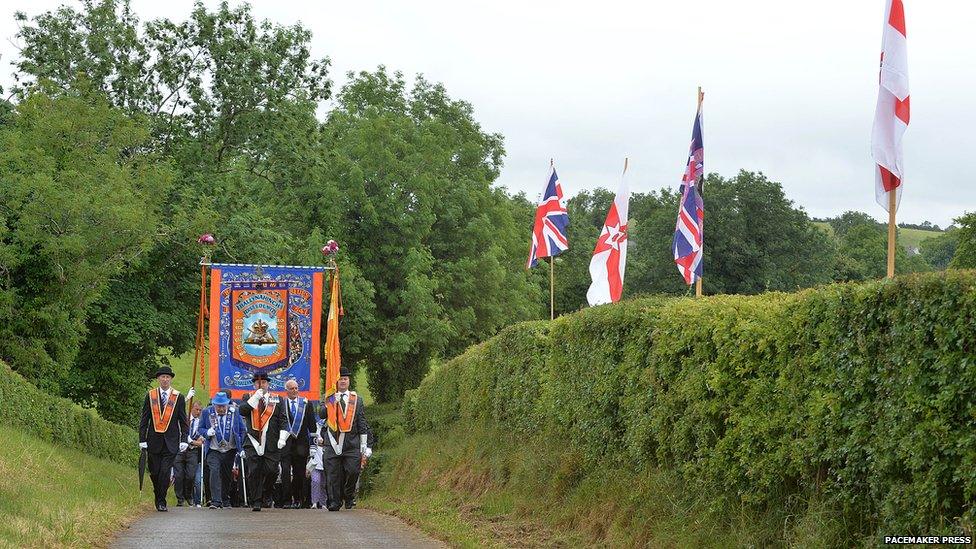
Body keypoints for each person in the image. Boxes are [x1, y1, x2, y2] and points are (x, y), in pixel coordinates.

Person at [319, 367, 372, 511]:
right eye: (340, 379)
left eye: (345, 379)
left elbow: (361, 422)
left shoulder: (357, 400)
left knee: (353, 471)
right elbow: (321, 414)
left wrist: (364, 445)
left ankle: (348, 495)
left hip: (351, 443)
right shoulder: (329, 397)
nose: (342, 381)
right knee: (333, 475)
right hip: (332, 442)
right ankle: (335, 501)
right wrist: (331, 404)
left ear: (349, 381)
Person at [138, 366, 190, 512]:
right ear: (158, 379)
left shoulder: (178, 397)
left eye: (167, 377)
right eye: (162, 377)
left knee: (165, 472)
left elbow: (183, 421)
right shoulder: (151, 395)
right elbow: (145, 419)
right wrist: (142, 439)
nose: (165, 380)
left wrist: (184, 439)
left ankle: (162, 501)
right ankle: (157, 493)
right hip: (153, 441)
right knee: (155, 473)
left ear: (171, 379)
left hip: (171, 442)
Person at [239, 371, 288, 511]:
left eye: (264, 382)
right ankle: (256, 500)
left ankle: (267, 491)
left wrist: (283, 437)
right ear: (254, 384)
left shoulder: (278, 399)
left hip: (272, 442)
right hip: (253, 441)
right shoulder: (248, 397)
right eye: (258, 383)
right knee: (254, 471)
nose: (261, 385)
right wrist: (255, 398)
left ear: (268, 384)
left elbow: (283, 419)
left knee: (272, 471)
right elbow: (242, 411)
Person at [199, 391, 245, 509]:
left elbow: (242, 429)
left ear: (227, 404)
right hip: (214, 449)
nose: (221, 408)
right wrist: (207, 432)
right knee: (214, 471)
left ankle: (225, 499)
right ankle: (215, 501)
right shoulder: (206, 412)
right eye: (218, 406)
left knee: (226, 475)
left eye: (223, 406)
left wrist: (242, 447)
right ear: (214, 405)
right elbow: (200, 429)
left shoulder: (235, 412)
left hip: (230, 449)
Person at [279, 378, 316, 508]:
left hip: (301, 444)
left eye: (296, 388)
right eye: (292, 388)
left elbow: (312, 426)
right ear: (286, 390)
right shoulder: (280, 404)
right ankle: (286, 500)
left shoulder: (306, 403)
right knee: (284, 472)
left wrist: (313, 445)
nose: (294, 391)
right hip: (285, 444)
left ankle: (298, 499)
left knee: (299, 473)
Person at [172, 401, 205, 507]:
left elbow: (201, 443)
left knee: (190, 475)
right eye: (196, 409)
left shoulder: (202, 423)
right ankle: (180, 498)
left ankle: (188, 495)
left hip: (192, 451)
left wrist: (191, 441)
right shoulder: (185, 419)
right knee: (178, 475)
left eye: (200, 410)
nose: (198, 412)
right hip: (180, 450)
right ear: (192, 408)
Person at [308, 418, 327, 509]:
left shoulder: (332, 425)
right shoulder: (316, 426)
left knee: (324, 483)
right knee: (316, 481)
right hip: (315, 459)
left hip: (327, 460)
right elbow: (312, 441)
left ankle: (323, 503)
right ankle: (314, 502)